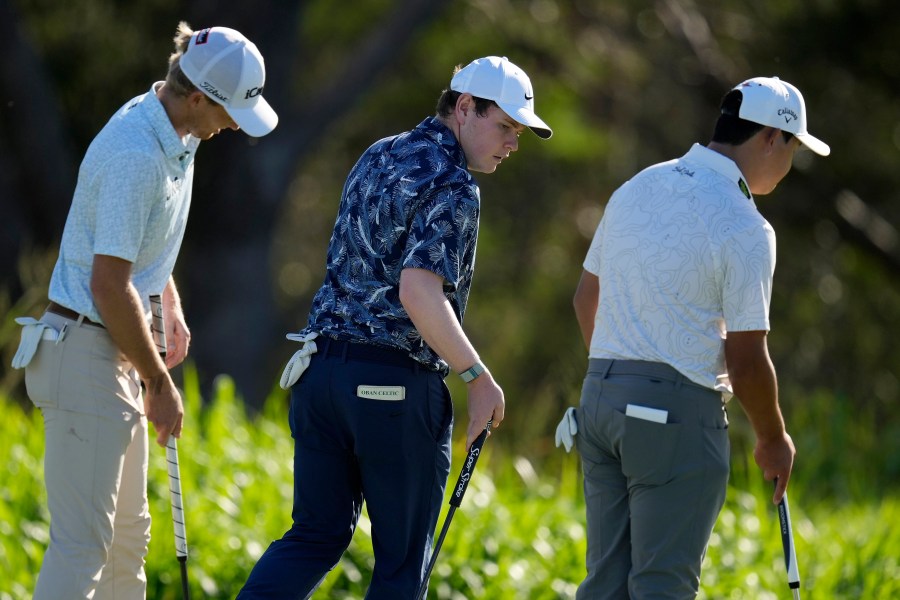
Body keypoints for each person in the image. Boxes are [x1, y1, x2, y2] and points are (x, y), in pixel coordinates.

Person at [238, 56, 552, 599]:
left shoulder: (379, 152)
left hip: (319, 376)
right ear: (463, 108)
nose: (512, 143)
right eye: (504, 126)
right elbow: (418, 290)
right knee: (402, 566)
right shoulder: (455, 185)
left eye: (519, 132)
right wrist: (477, 376)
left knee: (315, 534)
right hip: (392, 388)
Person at [12, 22, 278, 599]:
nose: (233, 126)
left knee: (127, 541)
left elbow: (137, 249)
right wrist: (159, 383)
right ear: (199, 97)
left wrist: (169, 299)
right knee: (83, 545)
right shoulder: (138, 153)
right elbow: (108, 285)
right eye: (229, 112)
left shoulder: (175, 129)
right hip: (84, 351)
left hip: (110, 353)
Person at [555, 76, 829, 599]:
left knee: (605, 584)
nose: (791, 164)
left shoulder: (636, 187)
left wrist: (624, 383)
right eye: (794, 147)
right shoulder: (747, 226)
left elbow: (585, 300)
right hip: (676, 420)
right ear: (772, 137)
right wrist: (773, 439)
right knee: (663, 587)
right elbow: (746, 358)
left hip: (600, 403)